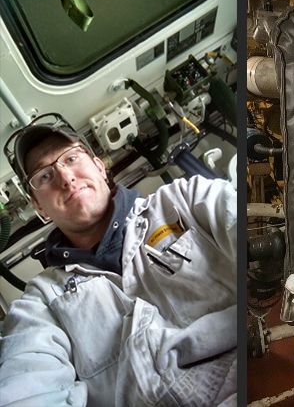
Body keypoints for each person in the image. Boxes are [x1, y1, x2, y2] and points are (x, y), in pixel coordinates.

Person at [0, 113, 236, 406]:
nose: (65, 177)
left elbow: (244, 226)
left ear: (100, 166)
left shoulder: (187, 199)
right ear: (39, 207)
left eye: (71, 158)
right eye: (44, 176)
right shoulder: (43, 302)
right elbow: (27, 384)